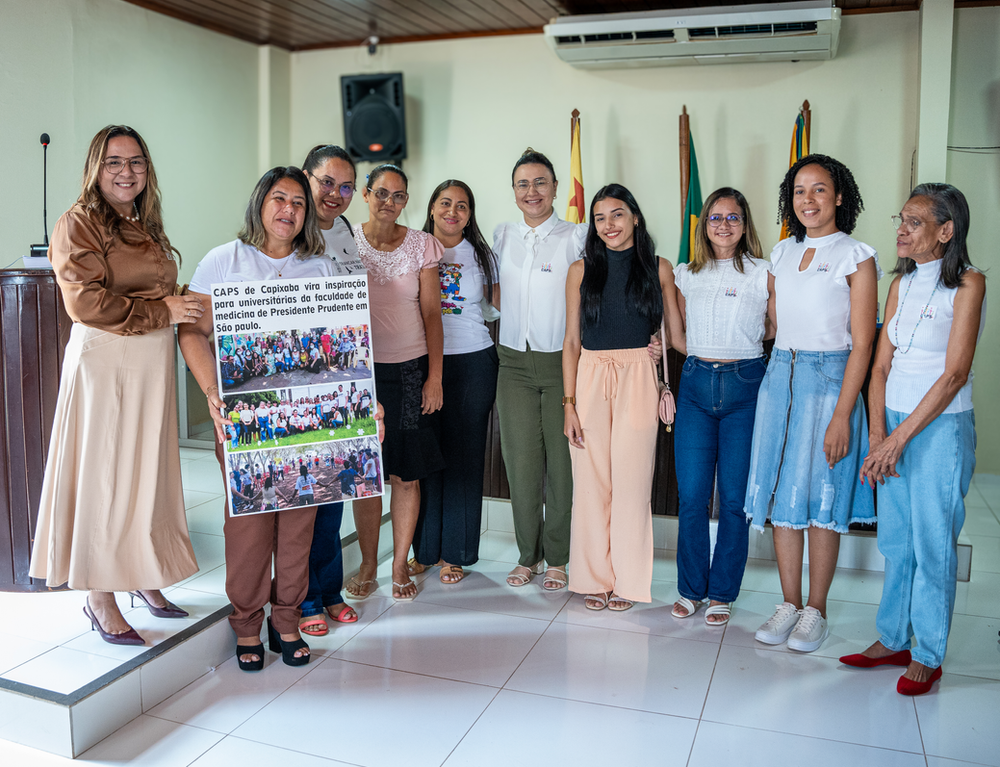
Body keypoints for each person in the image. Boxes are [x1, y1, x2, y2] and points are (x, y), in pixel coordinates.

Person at [29, 123, 201, 642]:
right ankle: (99, 598)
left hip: (149, 361)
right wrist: (163, 309)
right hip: (106, 360)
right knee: (105, 478)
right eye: (114, 162)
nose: (127, 172)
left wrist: (189, 301)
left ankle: (143, 573)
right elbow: (84, 302)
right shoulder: (78, 222)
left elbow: (157, 290)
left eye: (136, 162)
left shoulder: (143, 222)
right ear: (95, 168)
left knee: (146, 474)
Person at [179, 165, 332, 670]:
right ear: (260, 203)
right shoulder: (224, 261)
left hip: (308, 418)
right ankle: (246, 621)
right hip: (243, 417)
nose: (288, 210)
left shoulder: (322, 268)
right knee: (248, 524)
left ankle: (285, 618)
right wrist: (210, 391)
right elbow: (193, 334)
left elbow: (344, 348)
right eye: (279, 199)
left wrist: (364, 401)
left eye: (298, 203)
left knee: (298, 522)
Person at [845, 184, 986, 695]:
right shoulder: (900, 285)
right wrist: (878, 434)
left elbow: (953, 376)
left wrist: (897, 441)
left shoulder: (970, 285)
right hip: (895, 427)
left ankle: (927, 652)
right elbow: (880, 367)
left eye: (915, 222)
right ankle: (892, 637)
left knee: (932, 544)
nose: (901, 230)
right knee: (896, 541)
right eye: (900, 219)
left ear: (946, 232)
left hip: (940, 428)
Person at [745, 154, 880, 653]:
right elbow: (774, 325)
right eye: (800, 191)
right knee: (783, 494)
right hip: (780, 375)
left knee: (822, 492)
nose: (809, 200)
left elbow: (863, 343)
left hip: (830, 380)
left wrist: (843, 414)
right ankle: (788, 603)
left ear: (839, 196)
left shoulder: (856, 256)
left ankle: (815, 610)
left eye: (820, 190)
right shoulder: (780, 254)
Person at [562, 184, 682, 611]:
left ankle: (629, 582)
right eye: (599, 218)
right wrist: (569, 404)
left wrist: (658, 344)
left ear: (634, 217)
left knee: (632, 486)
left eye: (616, 215)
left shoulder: (660, 268)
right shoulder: (580, 270)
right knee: (591, 486)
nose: (608, 225)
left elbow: (677, 335)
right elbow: (572, 342)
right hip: (591, 375)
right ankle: (594, 578)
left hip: (637, 377)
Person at [670, 188, 775, 626]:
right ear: (704, 225)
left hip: (745, 386)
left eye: (734, 217)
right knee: (693, 496)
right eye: (716, 217)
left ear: (745, 224)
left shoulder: (763, 272)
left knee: (733, 499)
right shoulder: (685, 274)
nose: (724, 225)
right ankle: (692, 588)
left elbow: (773, 328)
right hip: (695, 384)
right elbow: (677, 336)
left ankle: (721, 592)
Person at [349, 163, 445, 602]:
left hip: (409, 370)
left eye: (399, 195)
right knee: (366, 475)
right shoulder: (344, 244)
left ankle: (398, 561)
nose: (390, 202)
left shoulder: (423, 245)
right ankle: (368, 560)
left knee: (406, 475)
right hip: (358, 373)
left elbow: (431, 314)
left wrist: (434, 377)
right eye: (381, 193)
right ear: (365, 195)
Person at [494, 149, 586, 591]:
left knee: (563, 467)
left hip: (561, 364)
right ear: (514, 192)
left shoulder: (576, 236)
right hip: (511, 363)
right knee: (523, 465)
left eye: (541, 182)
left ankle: (559, 558)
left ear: (555, 187)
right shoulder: (502, 235)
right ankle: (527, 556)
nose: (532, 192)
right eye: (523, 184)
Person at [410, 179, 500, 584]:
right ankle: (424, 551)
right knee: (425, 456)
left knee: (463, 458)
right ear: (431, 208)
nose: (453, 211)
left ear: (470, 213)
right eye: (445, 203)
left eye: (462, 206)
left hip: (472, 361)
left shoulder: (483, 254)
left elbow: (498, 308)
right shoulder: (412, 248)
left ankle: (456, 553)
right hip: (420, 361)